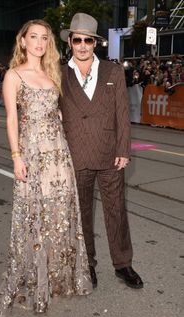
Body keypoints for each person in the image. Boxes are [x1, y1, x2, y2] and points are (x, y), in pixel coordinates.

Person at [0, 19, 92, 317]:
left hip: (58, 152)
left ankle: (59, 276)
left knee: (60, 212)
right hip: (33, 153)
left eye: (43, 38)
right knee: (35, 213)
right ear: (22, 41)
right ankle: (36, 277)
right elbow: (12, 118)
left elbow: (56, 111)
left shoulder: (52, 74)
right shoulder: (14, 75)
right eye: (32, 37)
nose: (38, 42)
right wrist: (16, 156)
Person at [59, 13, 143, 289]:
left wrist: (123, 149)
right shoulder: (59, 74)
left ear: (96, 43)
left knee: (117, 210)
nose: (83, 45)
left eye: (89, 40)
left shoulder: (113, 71)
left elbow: (123, 113)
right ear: (70, 42)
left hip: (110, 155)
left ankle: (123, 264)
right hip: (76, 155)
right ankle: (87, 264)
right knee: (81, 214)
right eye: (78, 39)